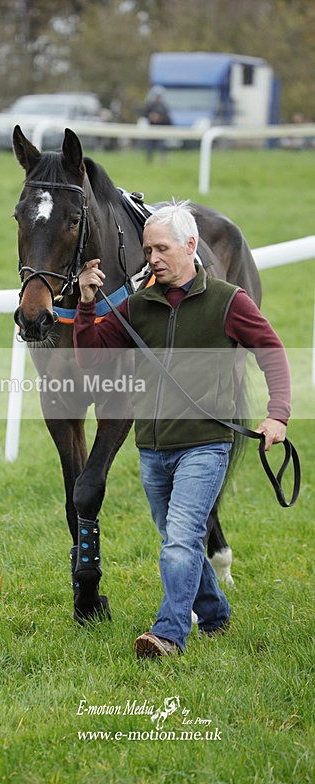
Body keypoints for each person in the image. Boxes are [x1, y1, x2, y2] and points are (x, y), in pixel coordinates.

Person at [73, 201, 291, 658]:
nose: (151, 258)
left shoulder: (229, 301)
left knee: (179, 540)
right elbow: (90, 357)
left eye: (161, 249)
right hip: (153, 448)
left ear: (190, 246)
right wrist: (87, 305)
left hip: (206, 446)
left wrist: (278, 413)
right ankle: (215, 614)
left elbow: (270, 349)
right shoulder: (138, 306)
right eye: (148, 249)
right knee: (178, 537)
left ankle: (169, 634)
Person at [142, 89, 171, 163]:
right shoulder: (150, 106)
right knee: (149, 146)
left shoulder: (164, 107)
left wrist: (160, 118)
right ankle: (149, 161)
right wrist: (150, 116)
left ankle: (163, 160)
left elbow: (168, 120)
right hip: (151, 129)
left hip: (161, 130)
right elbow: (144, 114)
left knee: (162, 146)